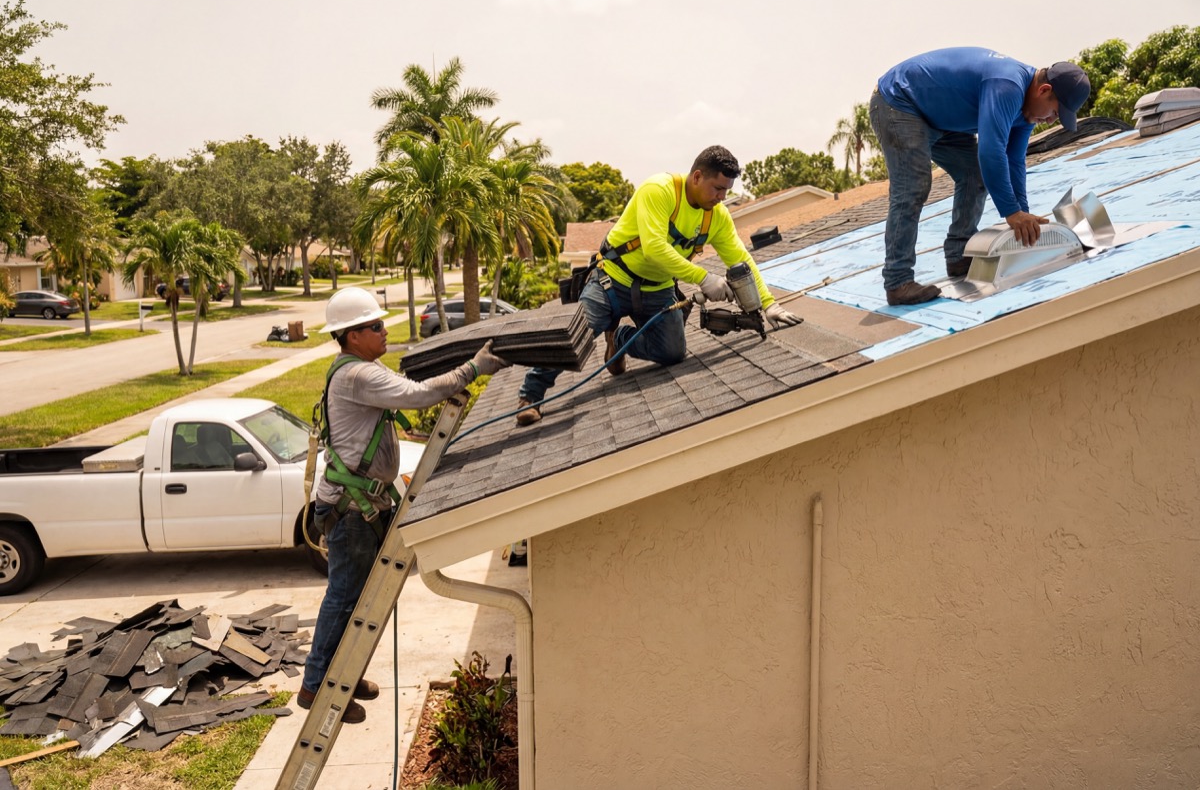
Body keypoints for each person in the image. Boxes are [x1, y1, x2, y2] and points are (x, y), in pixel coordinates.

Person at [300, 286, 509, 723]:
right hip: (352, 509)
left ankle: (343, 673)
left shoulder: (356, 370)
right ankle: (317, 685)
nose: (383, 332)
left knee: (357, 601)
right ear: (351, 336)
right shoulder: (359, 375)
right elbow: (418, 395)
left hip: (360, 504)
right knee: (344, 598)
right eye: (375, 326)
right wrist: (473, 368)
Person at [515, 145, 802, 426]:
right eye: (717, 188)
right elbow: (654, 248)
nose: (721, 197)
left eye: (726, 191)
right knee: (576, 337)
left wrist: (768, 303)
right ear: (697, 177)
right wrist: (703, 278)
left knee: (673, 353)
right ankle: (531, 396)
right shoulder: (660, 191)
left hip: (658, 288)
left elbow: (741, 260)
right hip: (613, 280)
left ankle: (619, 339)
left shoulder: (717, 216)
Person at [869, 48, 1091, 305]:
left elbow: (1014, 160)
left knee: (975, 175)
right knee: (913, 187)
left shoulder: (1027, 110)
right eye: (1054, 112)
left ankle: (958, 255)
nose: (1051, 121)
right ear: (1043, 90)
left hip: (940, 117)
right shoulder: (1008, 86)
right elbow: (991, 150)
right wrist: (1011, 212)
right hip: (900, 101)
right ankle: (898, 282)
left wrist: (1022, 215)